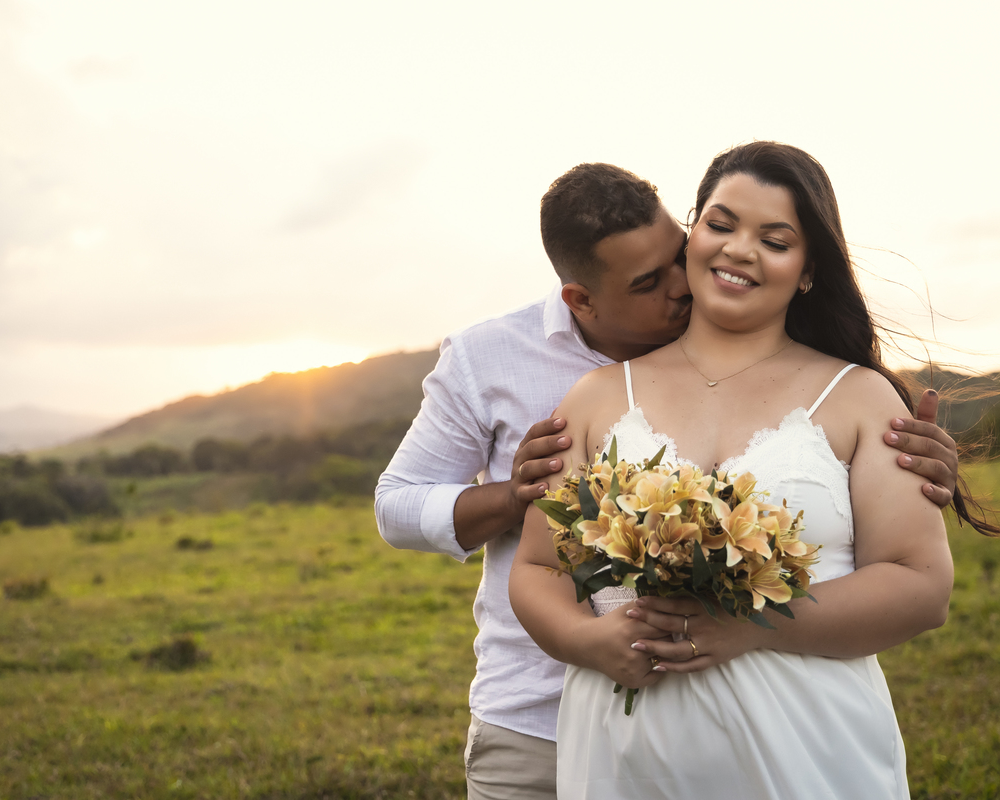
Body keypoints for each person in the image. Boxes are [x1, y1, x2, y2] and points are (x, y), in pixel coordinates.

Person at [375, 160, 964, 799]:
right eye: (721, 224)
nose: (736, 251)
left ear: (808, 269)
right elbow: (528, 563)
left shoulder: (860, 397)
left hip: (804, 739)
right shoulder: (587, 395)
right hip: (601, 741)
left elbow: (921, 584)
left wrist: (752, 624)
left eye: (775, 240)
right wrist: (588, 632)